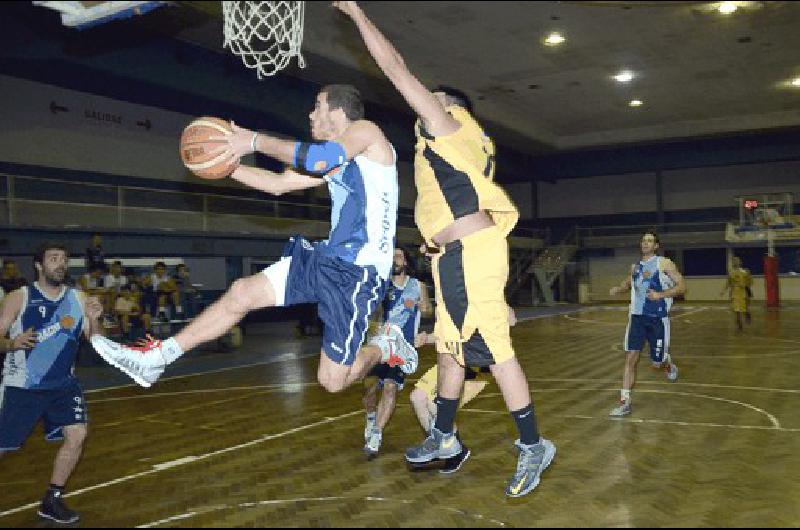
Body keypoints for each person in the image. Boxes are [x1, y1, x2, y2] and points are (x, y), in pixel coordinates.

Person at [335, 1, 554, 498]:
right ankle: (444, 435)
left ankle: (533, 444)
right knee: (453, 349)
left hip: (470, 252)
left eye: (430, 100)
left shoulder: (450, 125)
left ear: (450, 107)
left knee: (497, 353)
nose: (421, 106)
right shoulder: (461, 147)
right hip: (455, 257)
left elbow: (393, 67)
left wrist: (354, 13)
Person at [90, 84, 417, 392]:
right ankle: (156, 358)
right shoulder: (336, 158)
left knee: (333, 381)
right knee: (241, 292)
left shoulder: (365, 132)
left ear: (337, 112)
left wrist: (253, 141)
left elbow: (320, 159)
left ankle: (386, 344)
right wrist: (222, 164)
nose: (310, 114)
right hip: (326, 258)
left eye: (317, 106)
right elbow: (278, 184)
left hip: (358, 272)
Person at [0, 242, 103, 524]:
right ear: (38, 265)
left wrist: (94, 321)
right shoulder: (18, 297)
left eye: (64, 259)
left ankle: (52, 500)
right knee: (4, 447)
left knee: (77, 435)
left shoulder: (78, 298)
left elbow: (95, 342)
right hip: (23, 386)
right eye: (53, 258)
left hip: (63, 385)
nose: (60, 264)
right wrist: (11, 343)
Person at [409, 306, 517, 474]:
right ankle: (441, 445)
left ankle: (455, 454)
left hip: (476, 368)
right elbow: (445, 336)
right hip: (453, 360)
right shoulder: (448, 298)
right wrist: (426, 338)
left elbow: (511, 319)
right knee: (417, 397)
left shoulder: (477, 294)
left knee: (435, 405)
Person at [362, 247, 431, 458]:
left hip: (402, 347)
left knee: (390, 388)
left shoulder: (417, 286)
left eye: (399, 255)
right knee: (370, 390)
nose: (395, 259)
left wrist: (424, 307)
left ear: (406, 262)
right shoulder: (380, 287)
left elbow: (428, 310)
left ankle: (376, 434)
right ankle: (371, 417)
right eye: (391, 256)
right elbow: (371, 315)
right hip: (378, 345)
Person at [608, 231, 686, 417]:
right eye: (643, 240)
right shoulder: (636, 267)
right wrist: (618, 289)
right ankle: (625, 402)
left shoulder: (664, 264)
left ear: (656, 245)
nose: (645, 243)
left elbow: (682, 286)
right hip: (637, 319)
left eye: (650, 241)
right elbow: (628, 283)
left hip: (657, 319)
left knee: (656, 363)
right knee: (630, 359)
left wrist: (660, 295)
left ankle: (667, 364)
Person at [721, 256, 752, 332]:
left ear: (740, 262)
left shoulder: (745, 271)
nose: (735, 262)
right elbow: (728, 283)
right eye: (734, 261)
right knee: (736, 310)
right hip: (735, 293)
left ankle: (747, 314)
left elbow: (750, 282)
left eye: (737, 260)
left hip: (743, 292)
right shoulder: (731, 273)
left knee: (743, 309)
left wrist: (745, 285)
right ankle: (739, 325)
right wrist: (723, 291)